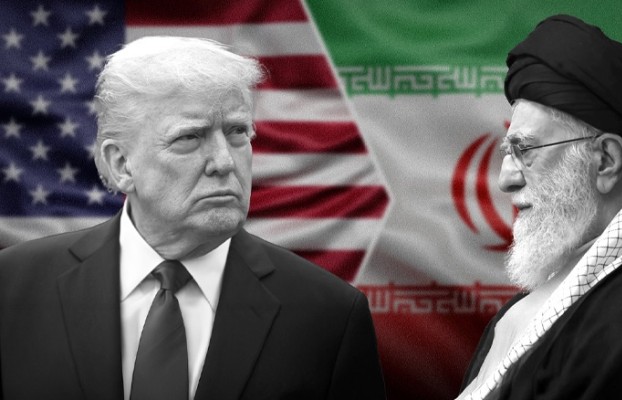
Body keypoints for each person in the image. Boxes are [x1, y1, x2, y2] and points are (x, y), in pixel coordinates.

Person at [0, 36, 386, 400]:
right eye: (189, 138)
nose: (224, 162)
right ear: (121, 164)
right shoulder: (11, 287)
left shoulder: (330, 315)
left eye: (237, 133)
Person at [458, 15, 622, 400]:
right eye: (508, 151)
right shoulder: (592, 285)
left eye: (525, 150)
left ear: (605, 160)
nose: (506, 179)